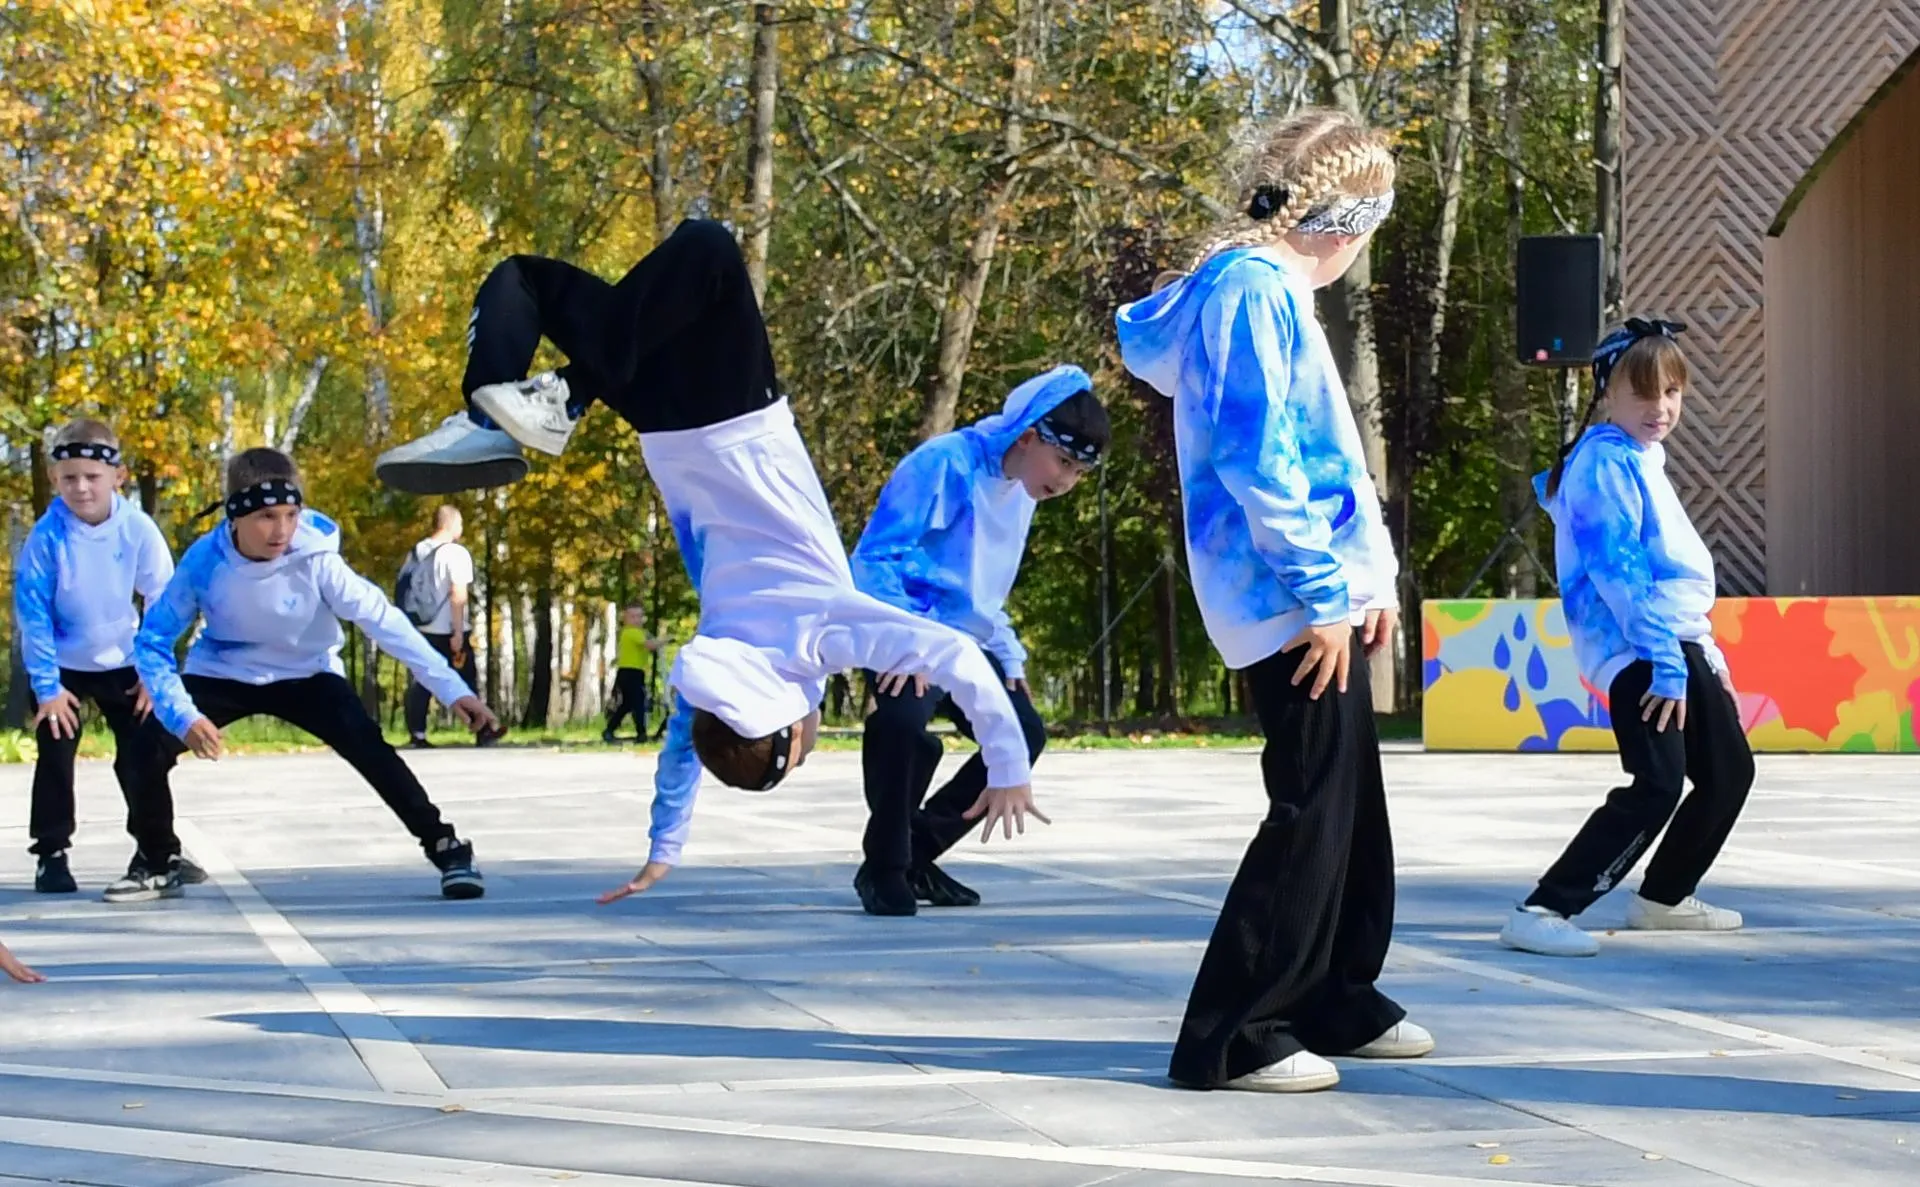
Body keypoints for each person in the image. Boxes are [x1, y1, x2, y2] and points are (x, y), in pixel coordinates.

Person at [369, 219, 1049, 905]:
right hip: (664, 429)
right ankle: (503, 406)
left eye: (805, 746)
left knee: (711, 250)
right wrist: (662, 849)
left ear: (786, 727)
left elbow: (960, 660)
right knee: (522, 279)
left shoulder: (826, 635)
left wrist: (1008, 763)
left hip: (735, 412)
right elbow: (681, 751)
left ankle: (556, 399)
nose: (816, 736)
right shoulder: (712, 654)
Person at [1115, 108, 1432, 1094]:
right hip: (1284, 593)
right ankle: (1234, 1030)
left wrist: (1366, 576)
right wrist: (1324, 591)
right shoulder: (1254, 291)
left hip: (1313, 588)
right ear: (1348, 221)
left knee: (1350, 806)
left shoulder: (1265, 286)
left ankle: (1337, 988)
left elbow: (1327, 444)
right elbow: (1262, 459)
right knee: (1310, 807)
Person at [134, 448, 501, 900]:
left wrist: (452, 690)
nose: (282, 531)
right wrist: (182, 715)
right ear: (235, 515)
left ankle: (446, 847)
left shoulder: (318, 558)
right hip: (224, 670)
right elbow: (152, 642)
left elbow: (384, 622)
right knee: (141, 747)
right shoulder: (203, 563)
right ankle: (158, 858)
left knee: (370, 748)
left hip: (308, 672)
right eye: (267, 517)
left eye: (292, 514)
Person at [1498, 319, 1754, 958]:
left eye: (1672, 393)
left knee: (1728, 774)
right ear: (1606, 391)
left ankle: (1663, 896)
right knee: (1657, 784)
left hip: (1675, 642)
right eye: (1643, 393)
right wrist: (1666, 662)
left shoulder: (1642, 459)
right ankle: (1544, 908)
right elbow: (1622, 575)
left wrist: (1703, 653)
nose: (1660, 409)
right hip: (1641, 649)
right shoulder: (1602, 464)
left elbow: (1674, 576)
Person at [847, 365, 1106, 916]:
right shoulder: (942, 464)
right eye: (1063, 463)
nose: (1065, 483)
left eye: (1079, 474)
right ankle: (887, 870)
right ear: (1030, 434)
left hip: (967, 638)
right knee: (901, 724)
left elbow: (986, 588)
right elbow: (873, 559)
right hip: (906, 628)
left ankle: (914, 851)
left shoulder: (1022, 491)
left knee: (1023, 732)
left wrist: (1008, 655)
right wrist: (905, 639)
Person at [13, 419, 206, 903]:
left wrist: (154, 675)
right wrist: (47, 687)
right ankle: (51, 854)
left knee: (143, 756)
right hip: (63, 666)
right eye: (69, 478)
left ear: (117, 476)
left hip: (127, 661)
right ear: (56, 479)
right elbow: (32, 612)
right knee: (55, 752)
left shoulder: (137, 529)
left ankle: (158, 851)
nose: (80, 488)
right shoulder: (47, 537)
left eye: (91, 478)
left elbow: (164, 600)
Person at [399, 505, 484, 749]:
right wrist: (458, 631)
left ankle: (417, 733)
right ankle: (482, 728)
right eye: (460, 524)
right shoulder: (455, 554)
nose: (462, 529)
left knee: (423, 679)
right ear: (450, 525)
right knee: (467, 680)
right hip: (448, 628)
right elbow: (458, 594)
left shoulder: (417, 551)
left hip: (422, 627)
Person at [605, 605, 665, 743]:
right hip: (630, 672)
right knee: (638, 703)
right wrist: (666, 640)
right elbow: (650, 645)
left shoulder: (637, 632)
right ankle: (641, 734)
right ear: (625, 618)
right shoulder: (631, 632)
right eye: (632, 616)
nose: (636, 620)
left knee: (628, 704)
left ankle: (610, 730)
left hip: (633, 671)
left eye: (639, 616)